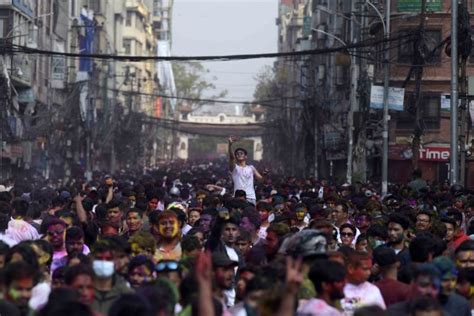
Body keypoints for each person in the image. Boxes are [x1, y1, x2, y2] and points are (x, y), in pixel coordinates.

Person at [90, 240, 133, 315]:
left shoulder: (127, 294)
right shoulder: (81, 290)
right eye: (99, 258)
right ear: (91, 259)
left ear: (115, 261)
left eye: (108, 259)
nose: (103, 262)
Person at [228, 136, 267, 205]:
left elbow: (261, 180)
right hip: (238, 197)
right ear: (236, 157)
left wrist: (264, 175)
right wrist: (230, 145)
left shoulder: (251, 168)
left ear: (246, 156)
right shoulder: (235, 168)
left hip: (251, 197)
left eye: (241, 153)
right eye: (237, 154)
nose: (239, 154)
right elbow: (231, 158)